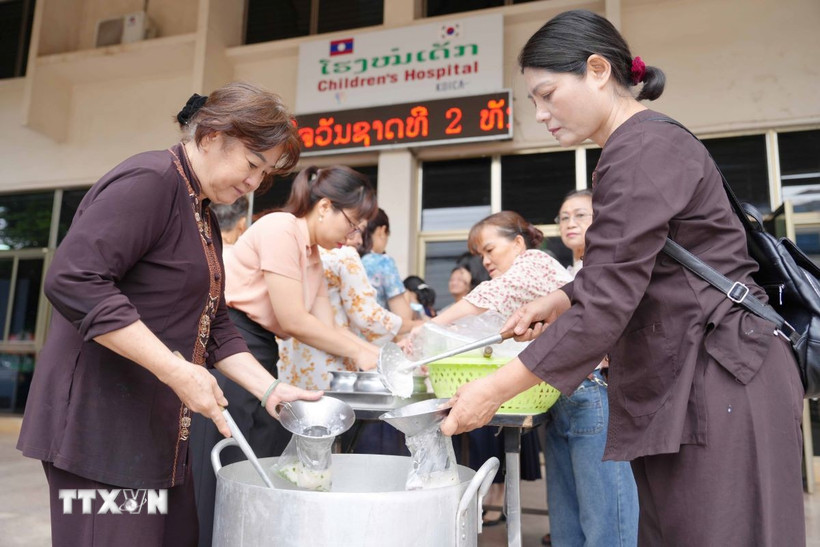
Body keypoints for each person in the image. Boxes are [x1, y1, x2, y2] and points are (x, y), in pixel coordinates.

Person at [441, 10, 805, 546]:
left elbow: (607, 302)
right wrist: (562, 298)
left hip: (722, 372)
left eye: (547, 94)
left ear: (597, 70)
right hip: (699, 372)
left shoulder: (642, 147)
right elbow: (630, 269)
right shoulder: (632, 148)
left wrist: (493, 390)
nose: (540, 114)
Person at [15, 82, 322, 547]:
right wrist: (176, 370)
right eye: (252, 164)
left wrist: (270, 390)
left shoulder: (203, 212)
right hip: (100, 430)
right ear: (212, 136)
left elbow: (215, 323)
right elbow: (74, 279)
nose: (254, 184)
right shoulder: (151, 180)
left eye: (265, 174)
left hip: (155, 429)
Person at [192, 165, 382, 543]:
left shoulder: (313, 257)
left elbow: (331, 328)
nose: (353, 236)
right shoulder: (281, 228)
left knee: (258, 462)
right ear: (325, 207)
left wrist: (377, 355)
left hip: (262, 349)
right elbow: (294, 319)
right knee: (226, 465)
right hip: (231, 346)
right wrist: (359, 354)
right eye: (352, 223)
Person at [425, 210, 573, 526]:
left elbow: (496, 292)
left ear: (518, 243)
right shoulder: (523, 281)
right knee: (569, 507)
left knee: (595, 507)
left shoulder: (533, 261)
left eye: (490, 249)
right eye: (481, 254)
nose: (486, 260)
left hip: (587, 385)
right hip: (566, 387)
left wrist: (432, 326)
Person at [540, 189, 639, 546]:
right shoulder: (566, 273)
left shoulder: (612, 267)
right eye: (564, 217)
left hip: (595, 389)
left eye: (580, 215)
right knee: (566, 514)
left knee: (606, 515)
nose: (570, 223)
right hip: (561, 393)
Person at [277, 217, 403, 390]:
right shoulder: (345, 255)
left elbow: (328, 324)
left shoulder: (304, 252)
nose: (359, 240)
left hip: (290, 360)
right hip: (330, 362)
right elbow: (366, 317)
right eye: (356, 229)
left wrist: (376, 353)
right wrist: (404, 329)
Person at [358, 208, 416, 325]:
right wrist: (408, 297)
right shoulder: (383, 262)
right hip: (374, 333)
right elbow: (403, 316)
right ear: (382, 230)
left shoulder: (347, 258)